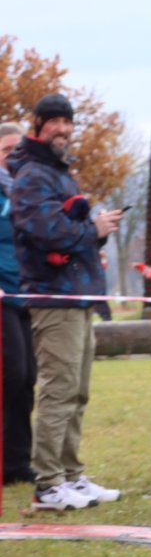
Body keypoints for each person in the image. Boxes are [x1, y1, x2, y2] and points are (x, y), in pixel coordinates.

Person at [8, 93, 123, 510]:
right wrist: (93, 229)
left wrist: (97, 228)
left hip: (77, 296)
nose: (63, 129)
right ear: (38, 125)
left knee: (77, 391)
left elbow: (68, 228)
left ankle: (72, 475)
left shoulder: (58, 172)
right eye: (55, 121)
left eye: (68, 122)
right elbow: (47, 231)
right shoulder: (32, 175)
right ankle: (49, 484)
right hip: (53, 297)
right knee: (58, 391)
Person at [0, 121, 36, 485]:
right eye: (6, 150)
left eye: (17, 149)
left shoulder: (28, 190)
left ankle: (17, 462)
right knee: (11, 373)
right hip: (2, 296)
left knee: (28, 378)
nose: (13, 156)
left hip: (29, 293)